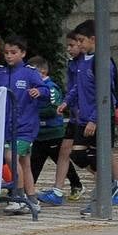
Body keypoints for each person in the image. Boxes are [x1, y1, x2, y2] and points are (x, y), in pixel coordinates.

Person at [57, 20, 118, 213]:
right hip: (83, 117)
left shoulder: (101, 61)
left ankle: (103, 195)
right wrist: (66, 101)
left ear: (93, 40)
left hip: (100, 117)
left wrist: (95, 119)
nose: (78, 45)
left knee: (99, 155)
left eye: (81, 40)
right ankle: (109, 184)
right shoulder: (83, 61)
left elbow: (106, 93)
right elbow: (78, 86)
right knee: (78, 154)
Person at [0, 35, 50, 216]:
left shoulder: (30, 72)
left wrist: (38, 91)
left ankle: (18, 196)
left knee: (11, 157)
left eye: (13, 53)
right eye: (6, 53)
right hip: (5, 127)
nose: (9, 56)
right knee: (25, 164)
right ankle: (31, 199)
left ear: (23, 53)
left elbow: (48, 91)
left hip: (25, 127)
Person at [26, 55, 83, 204]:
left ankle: (76, 184)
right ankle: (28, 190)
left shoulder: (51, 88)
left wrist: (33, 113)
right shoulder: (31, 88)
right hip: (39, 135)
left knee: (62, 161)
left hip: (53, 133)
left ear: (43, 72)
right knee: (34, 163)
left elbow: (53, 109)